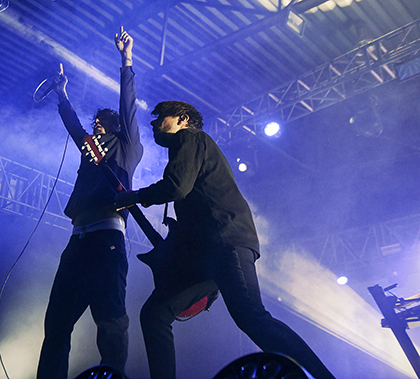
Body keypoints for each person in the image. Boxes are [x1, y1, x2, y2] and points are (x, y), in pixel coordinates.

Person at [114, 101, 336, 379]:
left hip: (225, 242)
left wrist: (134, 196)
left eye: (159, 117)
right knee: (155, 313)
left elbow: (176, 187)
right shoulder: (188, 148)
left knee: (253, 317)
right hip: (207, 252)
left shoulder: (189, 137)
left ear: (183, 119)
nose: (153, 123)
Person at [36, 27, 143, 379]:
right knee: (57, 324)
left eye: (104, 121)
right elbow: (73, 126)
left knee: (110, 320)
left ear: (116, 127)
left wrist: (125, 59)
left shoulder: (126, 147)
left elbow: (127, 103)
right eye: (96, 121)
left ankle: (113, 376)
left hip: (106, 239)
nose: (97, 124)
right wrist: (62, 93)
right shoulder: (92, 149)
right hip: (78, 240)